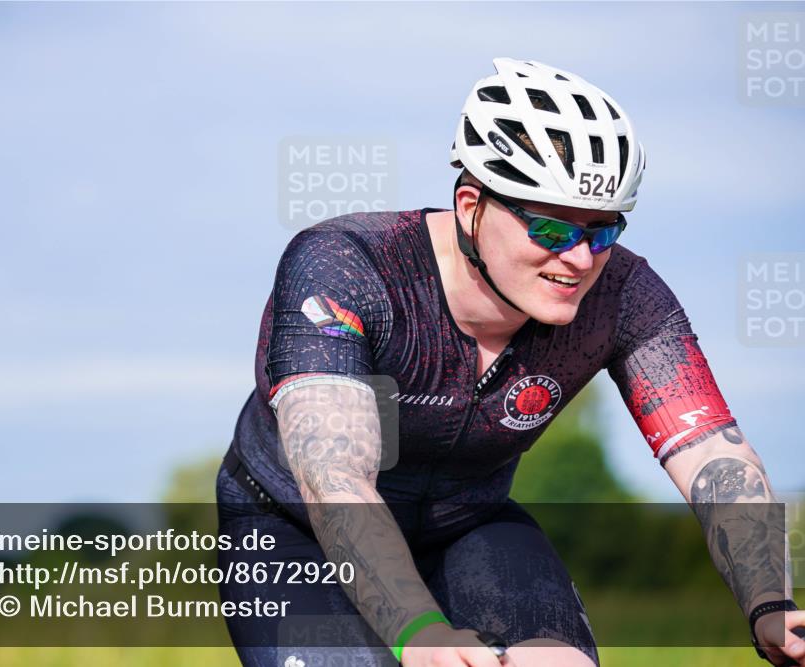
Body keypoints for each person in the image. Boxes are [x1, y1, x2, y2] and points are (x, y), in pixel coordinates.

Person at [216, 58, 804, 667]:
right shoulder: (348, 266)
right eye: (550, 230)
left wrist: (769, 604)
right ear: (471, 205)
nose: (578, 259)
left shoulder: (624, 295)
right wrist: (418, 632)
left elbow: (713, 452)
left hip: (468, 523)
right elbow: (335, 479)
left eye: (602, 232)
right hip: (296, 528)